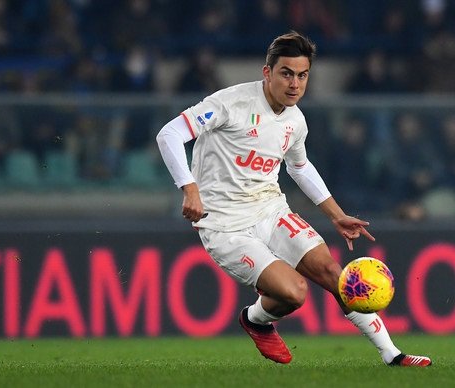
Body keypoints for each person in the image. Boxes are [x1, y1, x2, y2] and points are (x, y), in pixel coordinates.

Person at [156, 31, 431, 367]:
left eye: (302, 75)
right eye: (286, 73)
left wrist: (335, 214)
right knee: (293, 293)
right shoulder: (230, 104)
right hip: (226, 224)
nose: (295, 84)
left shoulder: (295, 120)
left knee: (334, 273)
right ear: (267, 72)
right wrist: (190, 187)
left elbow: (299, 168)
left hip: (270, 209)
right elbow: (169, 134)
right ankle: (256, 320)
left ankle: (392, 354)